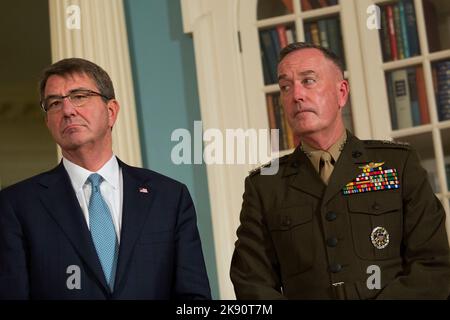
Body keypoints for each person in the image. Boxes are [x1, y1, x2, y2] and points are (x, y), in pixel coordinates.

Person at [230, 42, 450, 299]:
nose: (296, 95)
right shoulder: (265, 186)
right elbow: (251, 283)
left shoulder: (398, 164)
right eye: (285, 87)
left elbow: (433, 266)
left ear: (342, 92)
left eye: (308, 81)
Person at [0, 58, 211, 299]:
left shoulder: (170, 197)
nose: (67, 110)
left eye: (79, 96)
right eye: (55, 103)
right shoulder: (15, 205)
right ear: (48, 121)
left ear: (111, 112)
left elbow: (194, 298)